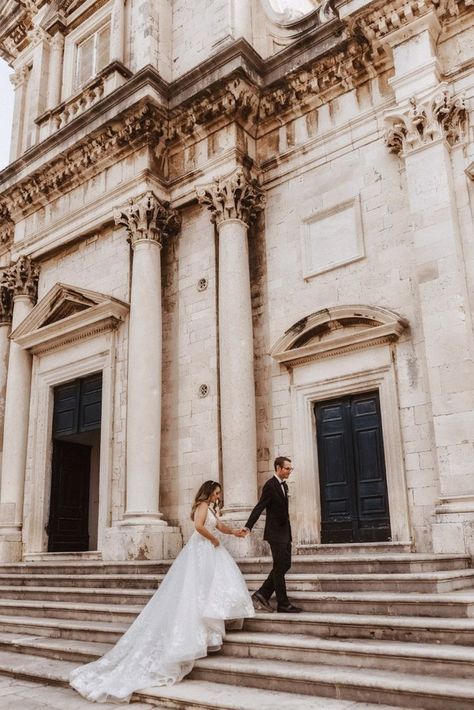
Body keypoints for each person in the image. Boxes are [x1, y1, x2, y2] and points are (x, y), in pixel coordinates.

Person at [70, 481, 254, 703]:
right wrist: (214, 538)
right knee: (195, 590)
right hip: (201, 550)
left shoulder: (212, 508)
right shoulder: (203, 506)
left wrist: (236, 532)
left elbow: (220, 526)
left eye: (219, 494)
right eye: (216, 493)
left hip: (209, 551)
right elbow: (199, 527)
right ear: (208, 492)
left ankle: (208, 627)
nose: (218, 496)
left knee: (208, 589)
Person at [242, 456, 302, 614]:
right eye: (287, 468)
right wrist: (248, 526)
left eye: (290, 468)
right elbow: (259, 507)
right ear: (278, 468)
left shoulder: (284, 486)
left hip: (284, 532)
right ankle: (283, 603)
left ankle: (262, 594)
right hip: (275, 533)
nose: (290, 471)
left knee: (284, 565)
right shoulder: (270, 485)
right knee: (280, 565)